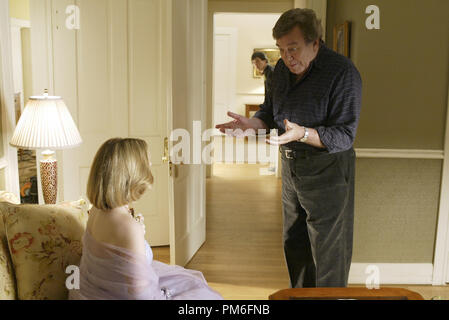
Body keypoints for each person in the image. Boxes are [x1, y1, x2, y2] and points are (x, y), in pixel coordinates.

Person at [216, 8, 362, 288]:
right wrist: (253, 123)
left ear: (315, 43)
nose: (286, 57)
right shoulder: (281, 70)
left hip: (328, 172)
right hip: (291, 170)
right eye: (281, 49)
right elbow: (270, 112)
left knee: (330, 253)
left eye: (293, 48)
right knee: (294, 245)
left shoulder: (342, 73)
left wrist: (303, 133)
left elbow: (345, 135)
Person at [69, 138, 223, 300]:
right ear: (133, 173)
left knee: (189, 281)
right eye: (147, 162)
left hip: (92, 291)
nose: (150, 166)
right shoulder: (127, 226)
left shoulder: (96, 210)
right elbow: (141, 296)